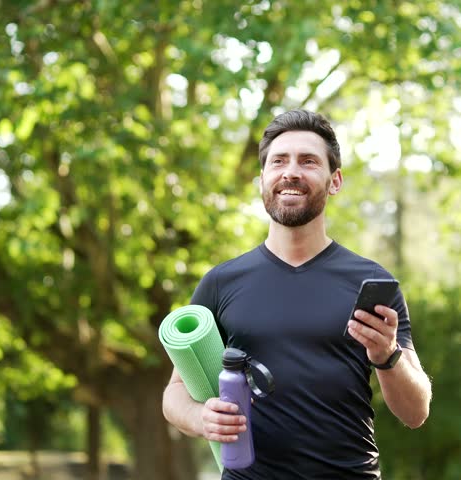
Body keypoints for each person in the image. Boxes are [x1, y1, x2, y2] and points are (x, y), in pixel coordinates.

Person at [162, 110, 432, 479]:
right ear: (263, 179)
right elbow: (174, 393)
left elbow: (416, 412)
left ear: (335, 181)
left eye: (308, 161)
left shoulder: (370, 281)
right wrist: (200, 417)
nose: (291, 171)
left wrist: (387, 356)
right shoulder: (221, 282)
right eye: (278, 161)